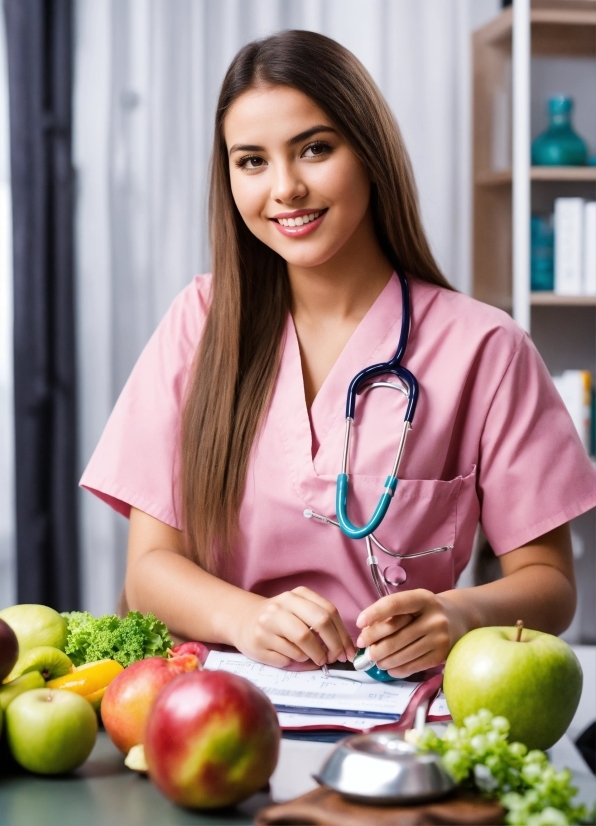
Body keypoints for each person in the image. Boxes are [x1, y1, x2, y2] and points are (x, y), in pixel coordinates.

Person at [81, 31, 596, 678]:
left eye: (315, 149)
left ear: (370, 151)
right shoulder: (200, 323)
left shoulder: (486, 349)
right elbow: (149, 572)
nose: (286, 188)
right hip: (217, 715)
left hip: (398, 732)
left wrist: (459, 615)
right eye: (252, 161)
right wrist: (246, 618)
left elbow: (548, 583)